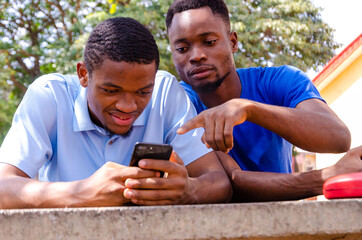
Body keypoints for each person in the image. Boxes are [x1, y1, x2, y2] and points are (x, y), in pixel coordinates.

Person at [0, 17, 232, 209]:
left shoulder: (165, 92)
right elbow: (3, 186)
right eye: (111, 90)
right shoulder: (49, 95)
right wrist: (81, 193)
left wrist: (189, 190)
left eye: (143, 91)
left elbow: (219, 181)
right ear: (84, 74)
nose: (128, 106)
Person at [165, 0, 360, 201]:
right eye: (182, 48)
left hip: (285, 221)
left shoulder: (282, 80)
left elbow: (338, 138)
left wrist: (249, 109)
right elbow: (233, 183)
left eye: (209, 42)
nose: (197, 56)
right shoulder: (176, 102)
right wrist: (329, 176)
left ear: (233, 42)